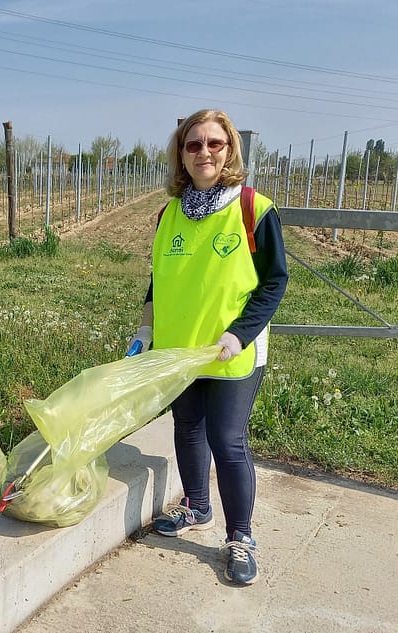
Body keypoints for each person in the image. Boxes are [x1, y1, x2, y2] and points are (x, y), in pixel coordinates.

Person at [127, 109, 288, 586]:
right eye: (193, 144)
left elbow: (274, 282)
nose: (204, 152)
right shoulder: (169, 213)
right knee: (187, 429)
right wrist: (144, 329)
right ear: (181, 153)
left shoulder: (253, 208)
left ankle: (241, 537)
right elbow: (160, 279)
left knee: (227, 441)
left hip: (232, 353)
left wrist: (238, 333)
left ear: (230, 149)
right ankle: (197, 507)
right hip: (181, 351)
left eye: (214, 143)